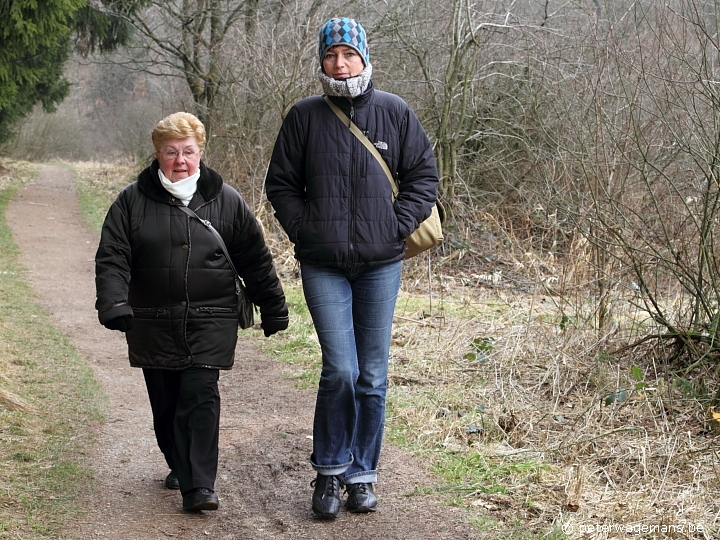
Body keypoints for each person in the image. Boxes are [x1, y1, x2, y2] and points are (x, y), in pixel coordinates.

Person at [264, 17, 439, 518]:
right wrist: (307, 229)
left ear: (364, 57)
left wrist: (395, 226)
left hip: (381, 263)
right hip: (324, 264)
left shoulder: (395, 112)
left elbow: (424, 177)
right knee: (340, 369)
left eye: (348, 54)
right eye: (330, 55)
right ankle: (329, 472)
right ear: (321, 61)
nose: (340, 64)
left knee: (373, 376)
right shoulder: (304, 117)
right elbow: (280, 185)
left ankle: (362, 474)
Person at [95, 112, 288, 512]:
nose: (180, 160)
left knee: (200, 396)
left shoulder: (226, 199)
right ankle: (178, 462)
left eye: (188, 151)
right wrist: (114, 303)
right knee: (166, 404)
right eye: (171, 152)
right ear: (157, 154)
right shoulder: (131, 200)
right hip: (152, 320)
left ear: (201, 153)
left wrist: (273, 307)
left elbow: (255, 258)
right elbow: (113, 256)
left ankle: (199, 485)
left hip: (211, 317)